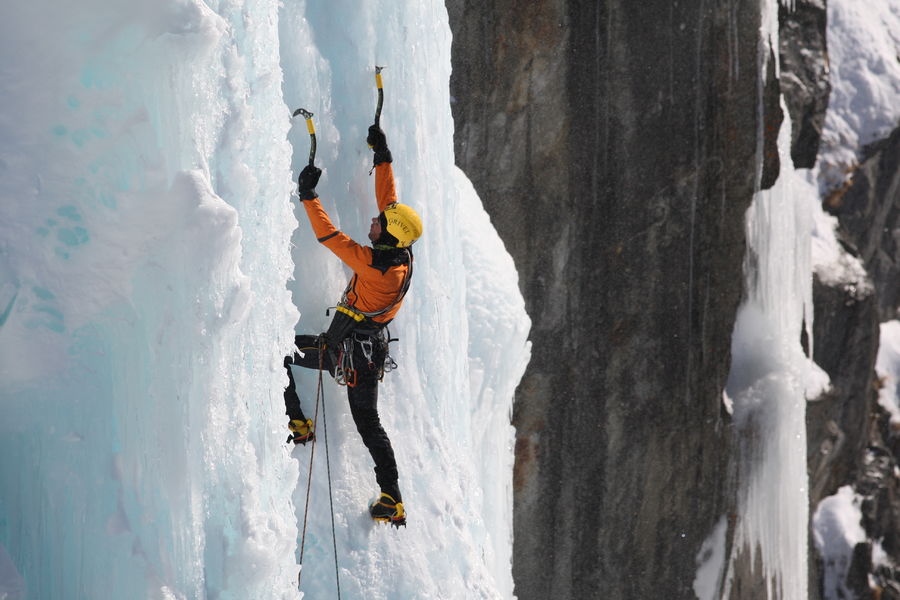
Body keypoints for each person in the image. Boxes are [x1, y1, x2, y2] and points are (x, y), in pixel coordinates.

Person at [283, 123, 422, 527]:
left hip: (349, 353)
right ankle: (392, 498)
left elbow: (330, 236)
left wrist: (308, 196)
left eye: (379, 224)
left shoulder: (376, 266)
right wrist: (383, 157)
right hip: (365, 351)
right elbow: (391, 203)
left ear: (387, 238)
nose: (374, 223)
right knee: (369, 424)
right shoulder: (401, 253)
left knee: (279, 353)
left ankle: (299, 423)